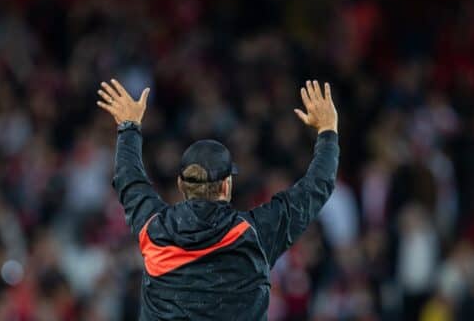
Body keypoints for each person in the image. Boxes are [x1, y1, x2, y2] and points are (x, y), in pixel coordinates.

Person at [96, 79, 340, 320]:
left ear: (181, 184)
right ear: (226, 185)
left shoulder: (154, 228)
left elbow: (128, 178)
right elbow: (317, 185)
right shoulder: (256, 234)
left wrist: (129, 126)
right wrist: (328, 131)